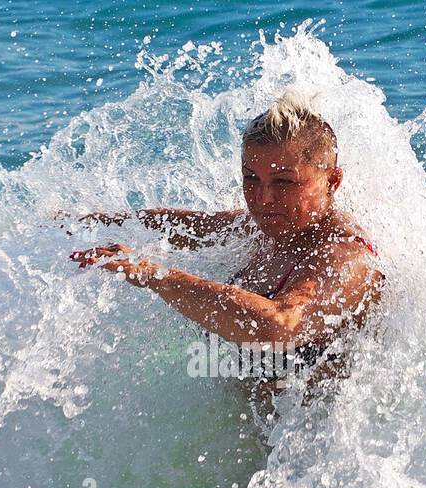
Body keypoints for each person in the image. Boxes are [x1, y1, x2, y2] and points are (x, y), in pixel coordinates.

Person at [70, 91, 384, 386]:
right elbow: (186, 226)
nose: (264, 198)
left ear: (333, 180)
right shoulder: (265, 228)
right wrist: (93, 223)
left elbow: (280, 324)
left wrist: (153, 275)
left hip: (314, 439)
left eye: (285, 181)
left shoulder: (345, 256)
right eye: (251, 178)